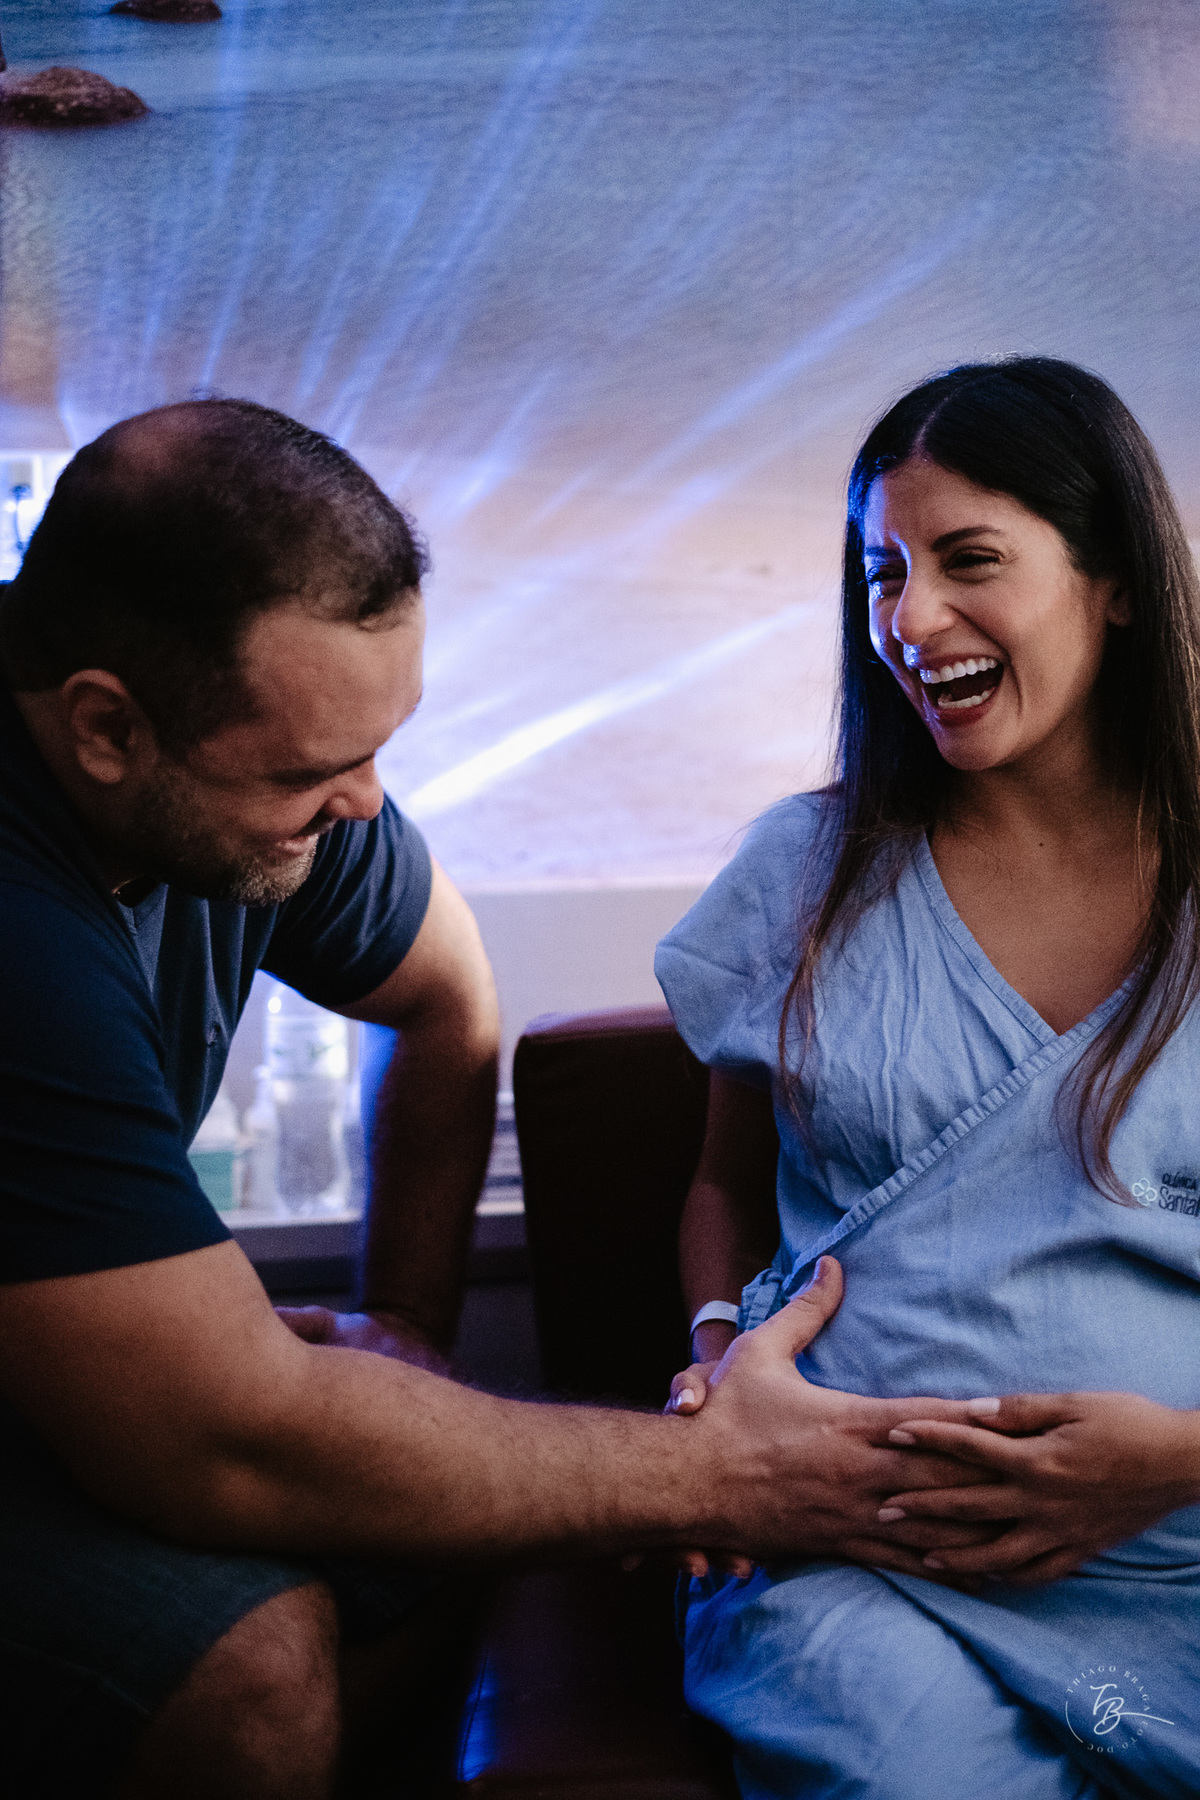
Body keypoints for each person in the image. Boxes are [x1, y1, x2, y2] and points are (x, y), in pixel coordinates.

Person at [0, 398, 990, 1800]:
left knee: (439, 1509)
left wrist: (404, 1325)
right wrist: (739, 1476)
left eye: (378, 746)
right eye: (312, 770)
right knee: (257, 1671)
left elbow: (447, 991)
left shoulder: (266, 790)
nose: (366, 805)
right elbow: (217, 1437)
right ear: (107, 728)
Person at [657, 357, 1200, 1800]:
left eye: (971, 561)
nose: (907, 619)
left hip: (1182, 1552)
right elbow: (721, 1176)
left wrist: (1182, 1457)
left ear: (1119, 581)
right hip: (857, 1545)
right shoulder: (803, 874)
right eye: (880, 571)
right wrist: (719, 1362)